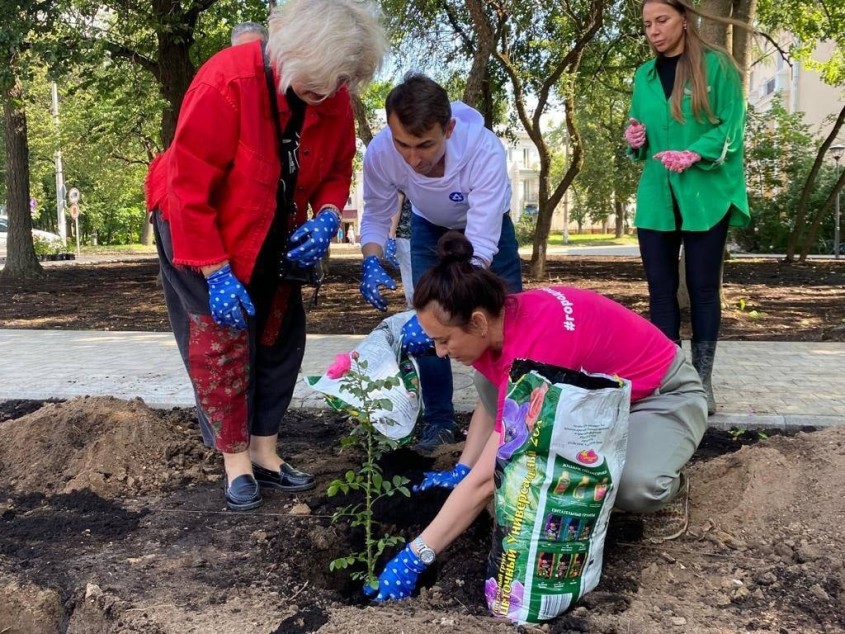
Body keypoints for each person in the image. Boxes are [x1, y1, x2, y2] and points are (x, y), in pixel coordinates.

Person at [365, 231, 707, 601]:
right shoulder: (501, 314)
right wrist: (463, 469)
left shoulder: (537, 354)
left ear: (478, 322)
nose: (440, 351)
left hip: (658, 395)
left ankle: (669, 478)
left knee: (636, 485)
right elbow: (494, 393)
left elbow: (485, 483)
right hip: (595, 401)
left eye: (444, 340)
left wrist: (416, 555)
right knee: (488, 383)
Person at [144, 0, 387, 511]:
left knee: (279, 334)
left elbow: (338, 166)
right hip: (199, 226)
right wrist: (216, 272)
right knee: (221, 339)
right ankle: (235, 460)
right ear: (293, 55)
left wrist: (324, 215)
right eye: (320, 83)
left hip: (275, 223)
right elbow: (189, 189)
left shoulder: (333, 92)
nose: (329, 95)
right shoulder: (225, 83)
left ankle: (266, 452)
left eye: (339, 84)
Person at [358, 72, 522, 455]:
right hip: (429, 226)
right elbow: (377, 214)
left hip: (487, 228)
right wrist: (371, 259)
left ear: (448, 129)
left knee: (509, 318)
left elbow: (480, 245)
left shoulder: (483, 150)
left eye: (425, 145)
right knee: (426, 324)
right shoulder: (382, 153)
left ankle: (512, 416)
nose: (413, 158)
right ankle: (439, 422)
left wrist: (452, 299)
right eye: (404, 144)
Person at [625, 0, 750, 415]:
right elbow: (636, 137)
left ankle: (703, 382)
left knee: (701, 289)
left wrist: (695, 154)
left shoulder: (718, 66)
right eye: (647, 25)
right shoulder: (643, 75)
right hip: (657, 197)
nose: (654, 31)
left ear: (684, 17)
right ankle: (673, 380)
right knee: (660, 293)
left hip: (704, 195)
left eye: (661, 21)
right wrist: (635, 140)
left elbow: (731, 125)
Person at [385, 193, 414, 308]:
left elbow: (398, 200)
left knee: (412, 280)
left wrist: (391, 236)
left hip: (408, 235)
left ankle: (416, 314)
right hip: (411, 235)